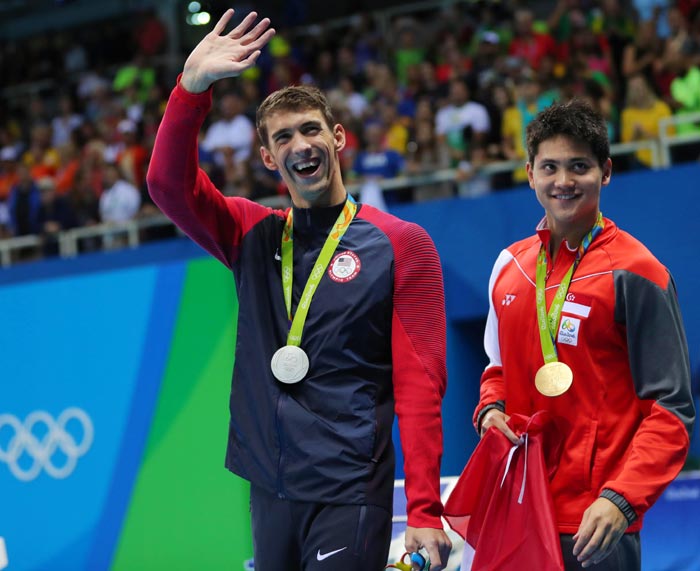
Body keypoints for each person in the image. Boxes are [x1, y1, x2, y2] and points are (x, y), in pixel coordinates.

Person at [147, 9, 452, 571]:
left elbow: (420, 384)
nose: (300, 144)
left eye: (311, 129)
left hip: (348, 486)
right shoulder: (250, 233)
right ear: (268, 157)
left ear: (338, 137)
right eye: (283, 136)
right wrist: (190, 90)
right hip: (269, 487)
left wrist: (426, 510)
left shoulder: (400, 244)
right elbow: (168, 186)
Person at [474, 99, 695, 570]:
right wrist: (490, 409)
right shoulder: (508, 267)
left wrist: (622, 498)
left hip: (594, 524)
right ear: (529, 173)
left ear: (606, 171)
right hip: (517, 508)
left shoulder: (638, 273)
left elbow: (670, 410)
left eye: (579, 166)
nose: (563, 181)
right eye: (549, 167)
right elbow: (496, 367)